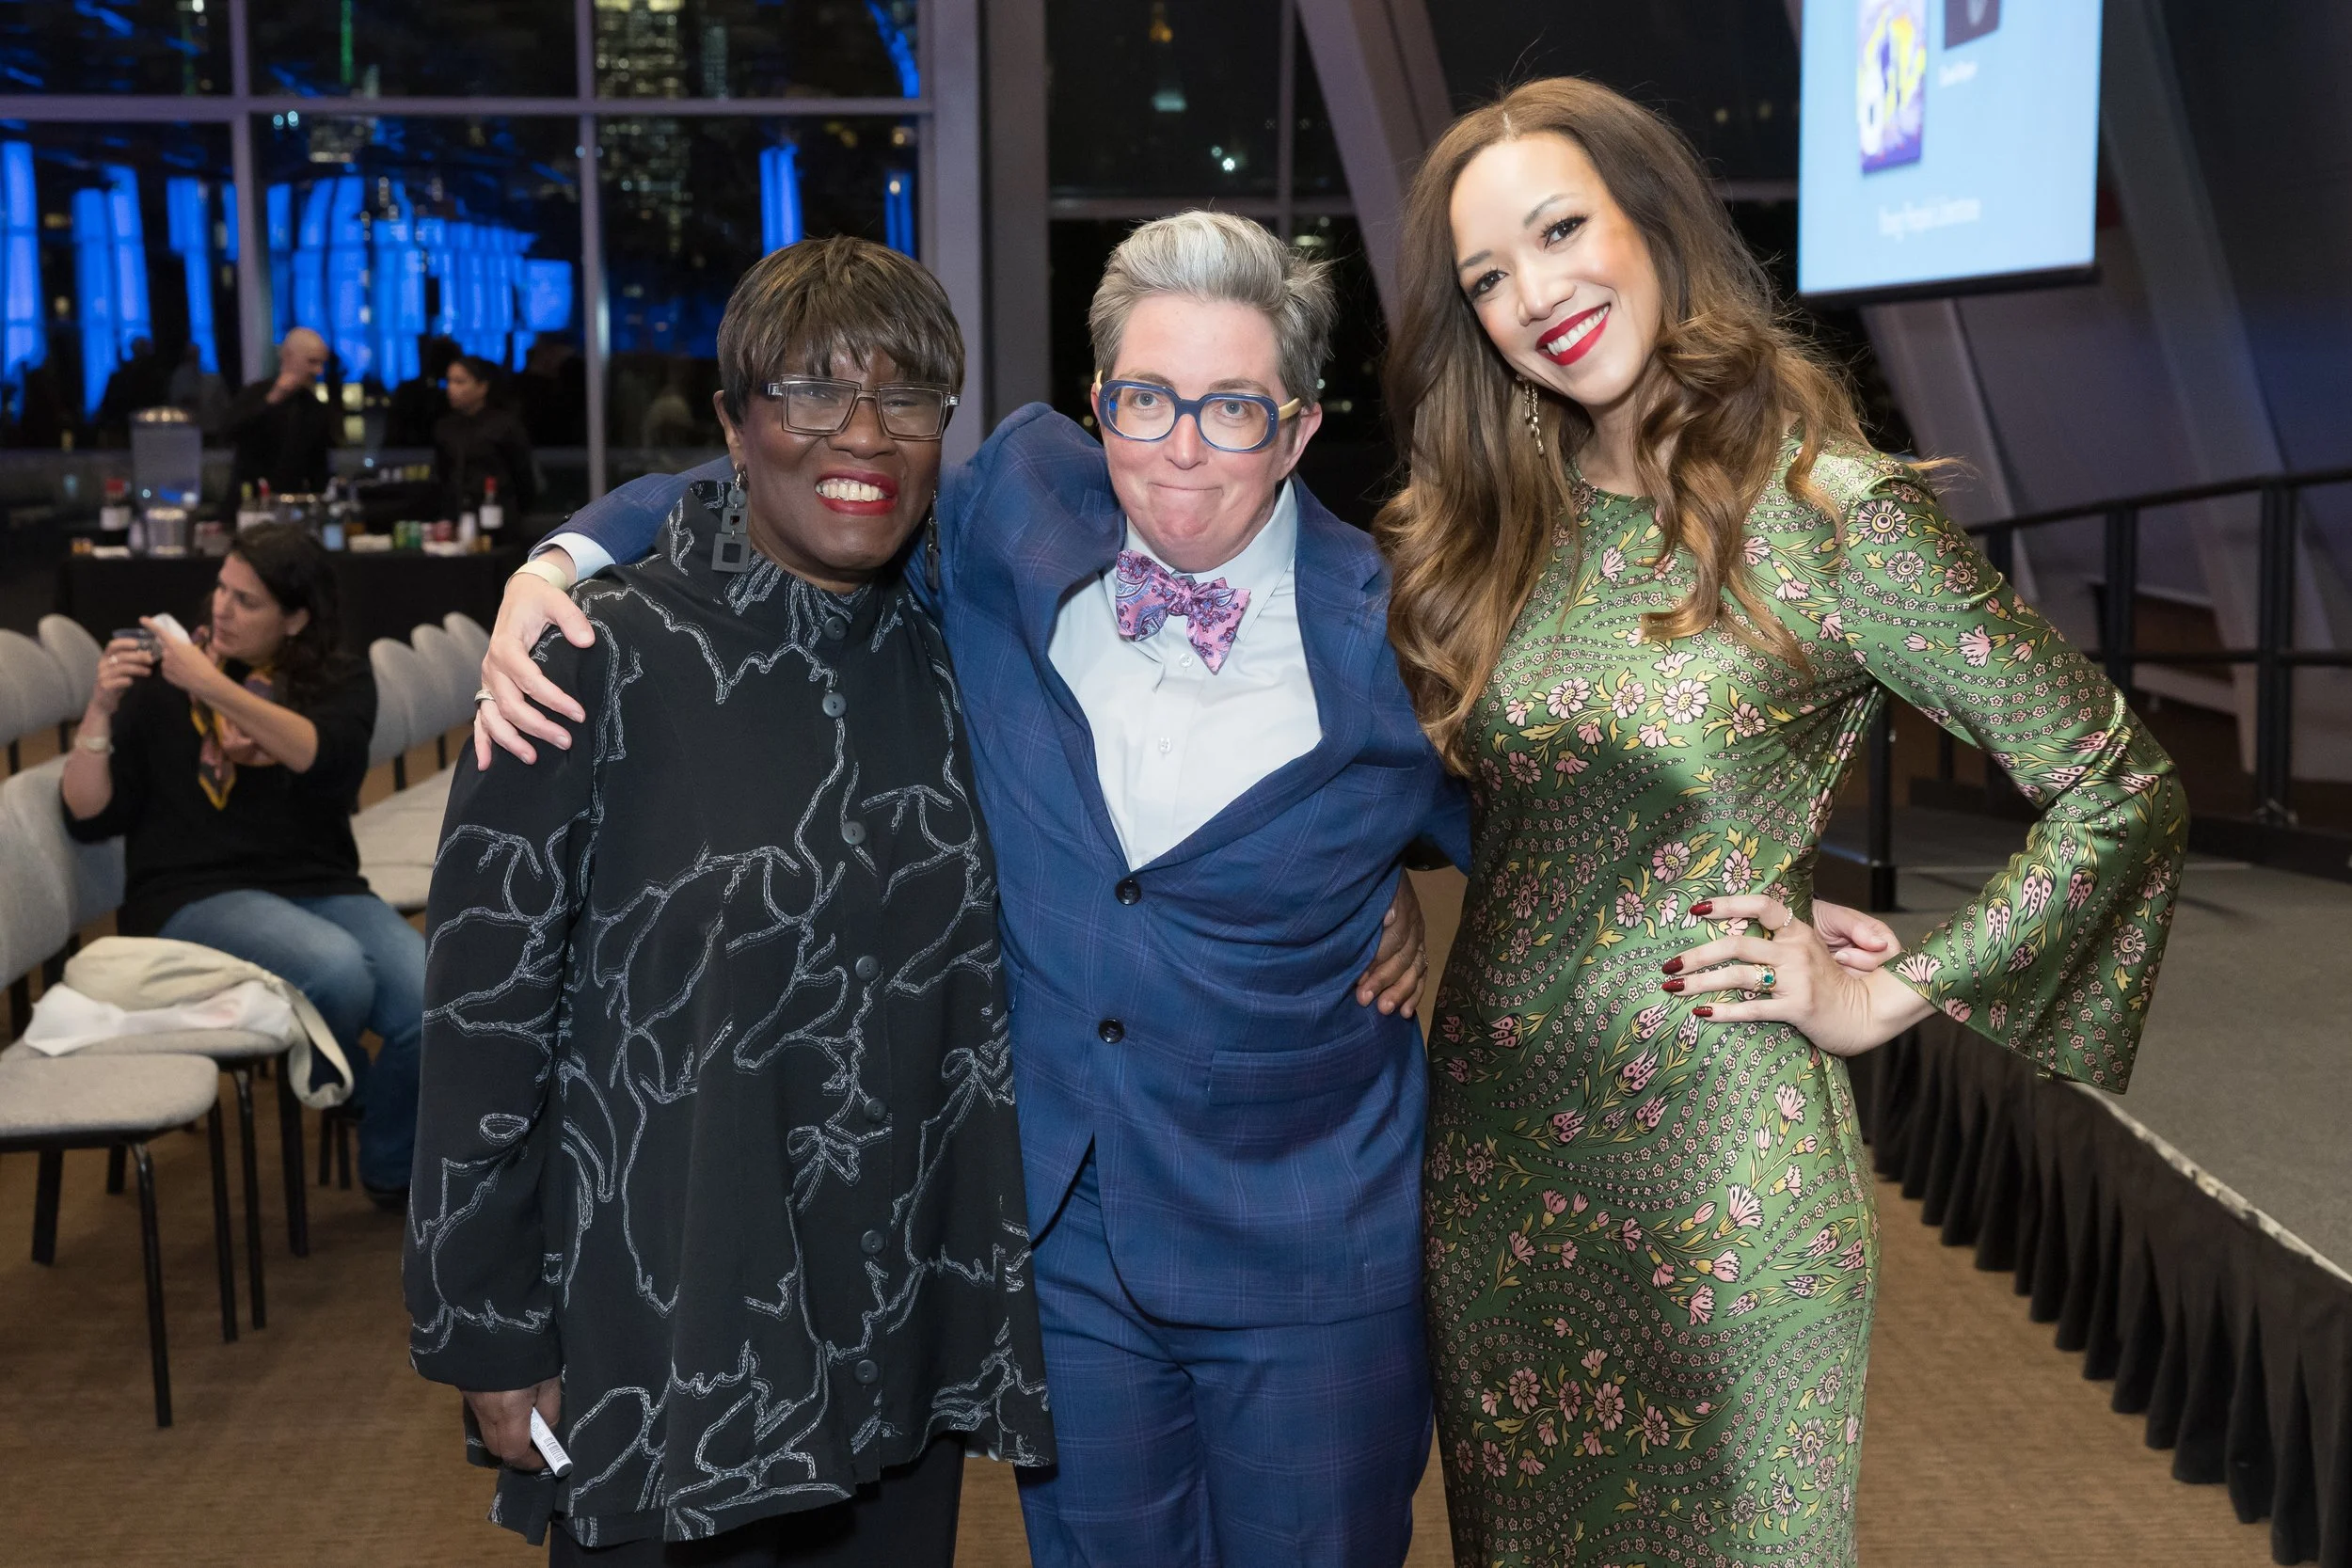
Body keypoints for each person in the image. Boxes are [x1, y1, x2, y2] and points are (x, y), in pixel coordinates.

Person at [473, 214, 1899, 1567]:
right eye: (1147, 398)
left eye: (1231, 407)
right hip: (1063, 1248)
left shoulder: (1406, 627)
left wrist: (1772, 905)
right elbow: (796, 472)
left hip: (1312, 1253)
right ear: (1096, 405)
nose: (1181, 448)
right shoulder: (1007, 518)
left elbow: (1576, 825)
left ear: (1298, 430)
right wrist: (567, 553)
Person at [1376, 78, 2190, 1567]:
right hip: (1492, 1170)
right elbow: (1469, 780)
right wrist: (1374, 874)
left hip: (1722, 1184)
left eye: (1563, 231)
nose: (1536, 295)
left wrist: (1895, 985)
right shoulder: (1489, 527)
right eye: (1490, 277)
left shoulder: (1829, 515)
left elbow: (2120, 780)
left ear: (1656, 225)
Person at [403, 237, 1052, 1564]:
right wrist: (485, 1325)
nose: (861, 434)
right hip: (669, 1338)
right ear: (733, 426)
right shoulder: (588, 659)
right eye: (812, 393)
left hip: (898, 1333)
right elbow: (480, 1020)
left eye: (908, 398)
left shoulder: (952, 653)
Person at [58, 522, 424, 1205]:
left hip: (317, 882)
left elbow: (325, 758)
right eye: (221, 589)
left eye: (247, 600)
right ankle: (358, 1093)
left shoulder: (334, 678)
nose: (221, 609)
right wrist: (101, 705)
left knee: (429, 1003)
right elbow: (86, 814)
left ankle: (391, 1167)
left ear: (296, 618)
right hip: (191, 892)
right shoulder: (164, 676)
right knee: (338, 969)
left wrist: (212, 684)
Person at [226, 326, 336, 495]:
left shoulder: (315, 408)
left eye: (322, 363)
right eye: (312, 362)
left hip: (293, 508)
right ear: (288, 356)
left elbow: (319, 470)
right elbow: (231, 433)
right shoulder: (255, 393)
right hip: (247, 504)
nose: (318, 371)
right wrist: (273, 399)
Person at [432, 354, 537, 518]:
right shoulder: (445, 427)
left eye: (459, 382)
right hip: (456, 516)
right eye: (449, 381)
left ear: (482, 387)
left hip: (501, 516)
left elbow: (523, 477)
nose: (451, 388)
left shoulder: (504, 425)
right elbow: (443, 475)